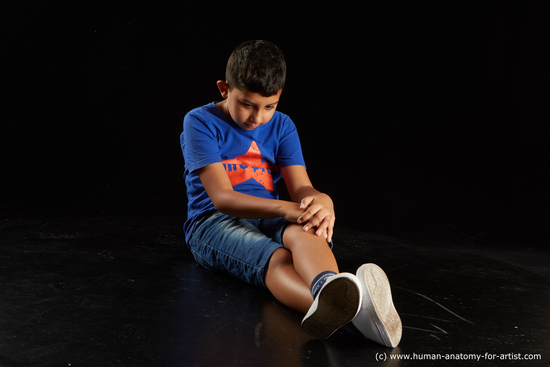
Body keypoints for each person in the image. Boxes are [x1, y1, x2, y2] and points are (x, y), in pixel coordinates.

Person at [180, 40, 401, 347]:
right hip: (213, 222)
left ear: (280, 96)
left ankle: (327, 287)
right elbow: (222, 198)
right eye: (247, 104)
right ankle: (358, 315)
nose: (258, 117)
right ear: (224, 88)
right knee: (278, 257)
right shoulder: (200, 121)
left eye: (269, 106)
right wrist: (287, 209)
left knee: (307, 229)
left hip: (269, 213)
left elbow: (301, 188)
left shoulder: (282, 126)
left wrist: (322, 200)